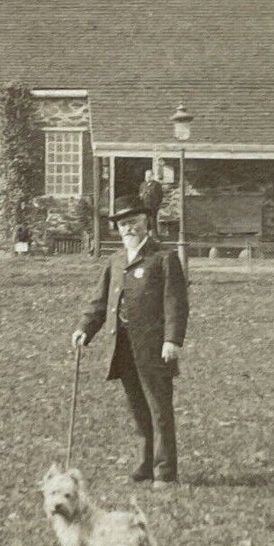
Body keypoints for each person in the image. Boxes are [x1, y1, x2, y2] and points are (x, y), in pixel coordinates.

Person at [72, 195, 188, 485]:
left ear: (146, 222)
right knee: (137, 408)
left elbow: (176, 303)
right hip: (122, 348)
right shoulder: (115, 261)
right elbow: (100, 301)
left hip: (154, 347)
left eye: (134, 222)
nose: (128, 228)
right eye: (123, 224)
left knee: (159, 409)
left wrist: (172, 340)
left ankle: (165, 472)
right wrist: (85, 327)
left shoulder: (164, 258)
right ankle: (145, 464)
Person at [139, 163, 164, 235]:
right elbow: (140, 193)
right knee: (145, 221)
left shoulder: (156, 185)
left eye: (149, 176)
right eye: (146, 176)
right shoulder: (143, 184)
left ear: (152, 176)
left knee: (153, 222)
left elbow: (160, 196)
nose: (147, 177)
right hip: (144, 206)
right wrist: (141, 196)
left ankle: (155, 236)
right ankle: (145, 236)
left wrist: (157, 205)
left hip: (153, 206)